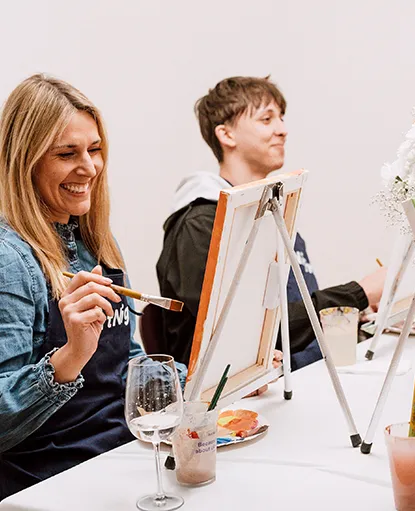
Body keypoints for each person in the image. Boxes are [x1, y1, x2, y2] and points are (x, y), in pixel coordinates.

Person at [0, 75, 185, 499]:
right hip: (52, 479)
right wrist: (71, 356)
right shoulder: (10, 260)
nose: (89, 167)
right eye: (67, 154)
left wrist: (204, 378)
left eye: (95, 150)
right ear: (24, 161)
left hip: (120, 456)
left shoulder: (96, 241)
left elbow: (127, 362)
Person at [156, 76, 385, 371]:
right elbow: (250, 332)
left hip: (304, 376)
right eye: (267, 119)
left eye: (281, 118)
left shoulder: (273, 214)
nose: (282, 130)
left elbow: (296, 318)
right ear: (227, 135)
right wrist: (356, 294)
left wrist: (349, 314)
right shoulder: (201, 225)